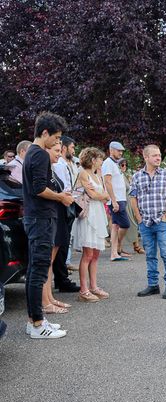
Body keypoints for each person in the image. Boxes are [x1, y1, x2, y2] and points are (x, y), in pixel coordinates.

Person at [23, 112, 73, 339]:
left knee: (35, 269)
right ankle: (37, 324)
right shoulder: (40, 155)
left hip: (37, 218)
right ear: (44, 133)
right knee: (39, 271)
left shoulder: (32, 154)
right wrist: (61, 197)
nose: (58, 143)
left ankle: (34, 319)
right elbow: (39, 189)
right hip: (41, 219)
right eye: (56, 137)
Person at [130, 145, 166, 299]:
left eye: (159, 155)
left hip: (162, 222)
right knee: (150, 255)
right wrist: (138, 218)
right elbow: (133, 198)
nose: (158, 158)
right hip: (145, 222)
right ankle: (153, 285)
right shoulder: (137, 176)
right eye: (155, 155)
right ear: (146, 157)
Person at [72, 147, 110, 302]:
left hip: (98, 212)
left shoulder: (96, 175)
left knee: (95, 254)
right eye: (100, 158)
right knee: (87, 254)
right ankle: (84, 289)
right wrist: (103, 196)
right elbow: (93, 194)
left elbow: (102, 195)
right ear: (93, 159)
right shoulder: (83, 173)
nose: (101, 161)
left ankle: (94, 286)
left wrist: (102, 196)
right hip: (88, 215)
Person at [41, 141, 73, 314]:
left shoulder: (52, 169)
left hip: (59, 216)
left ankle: (50, 297)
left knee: (50, 262)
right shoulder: (44, 171)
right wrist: (61, 197)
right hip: (51, 217)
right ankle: (45, 302)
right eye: (56, 151)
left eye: (60, 151)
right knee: (46, 261)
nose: (59, 154)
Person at [52, 135, 80, 293]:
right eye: (72, 148)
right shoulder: (58, 165)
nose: (73, 151)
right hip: (62, 206)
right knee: (61, 245)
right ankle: (61, 280)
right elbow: (62, 188)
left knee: (63, 244)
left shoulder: (65, 164)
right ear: (64, 148)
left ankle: (61, 279)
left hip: (67, 203)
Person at [102, 141, 131, 261]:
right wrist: (113, 201)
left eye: (121, 151)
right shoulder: (108, 163)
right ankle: (117, 247)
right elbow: (107, 182)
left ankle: (114, 253)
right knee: (125, 224)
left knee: (115, 226)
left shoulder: (116, 164)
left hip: (120, 198)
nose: (120, 153)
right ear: (111, 150)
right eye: (118, 150)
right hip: (116, 199)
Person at [122, 159, 145, 254]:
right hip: (123, 202)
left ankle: (136, 245)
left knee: (133, 223)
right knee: (126, 225)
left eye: (125, 165)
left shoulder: (125, 175)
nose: (124, 166)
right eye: (122, 165)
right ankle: (133, 245)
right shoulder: (118, 176)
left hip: (130, 201)